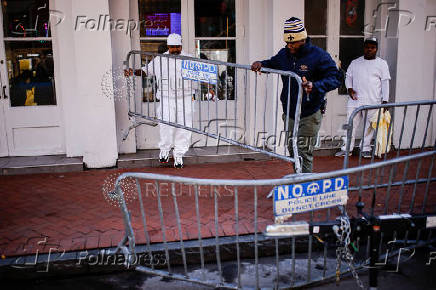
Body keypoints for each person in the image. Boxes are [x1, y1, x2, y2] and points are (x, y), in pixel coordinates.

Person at [251, 17, 341, 173]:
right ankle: (299, 177)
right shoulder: (284, 53)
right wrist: (261, 64)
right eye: (287, 43)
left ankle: (305, 185)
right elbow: (272, 63)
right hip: (290, 112)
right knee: (293, 150)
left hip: (310, 113)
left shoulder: (319, 56)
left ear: (303, 39)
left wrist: (315, 86)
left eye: (293, 43)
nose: (289, 46)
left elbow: (335, 79)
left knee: (304, 151)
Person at [126, 33, 195, 168]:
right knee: (165, 125)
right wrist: (133, 72)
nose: (175, 49)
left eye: (177, 47)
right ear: (168, 46)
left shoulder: (190, 59)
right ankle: (164, 151)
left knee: (185, 127)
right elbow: (146, 71)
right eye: (172, 47)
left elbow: (202, 73)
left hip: (186, 97)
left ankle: (179, 155)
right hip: (166, 98)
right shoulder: (160, 59)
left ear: (181, 46)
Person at [335, 37, 391, 158]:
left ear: (376, 49)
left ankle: (365, 148)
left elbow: (385, 82)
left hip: (374, 100)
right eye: (367, 47)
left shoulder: (382, 64)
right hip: (355, 100)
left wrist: (385, 100)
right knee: (349, 125)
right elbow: (348, 77)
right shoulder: (355, 63)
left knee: (369, 127)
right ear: (363, 48)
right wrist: (349, 88)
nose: (369, 50)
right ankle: (346, 149)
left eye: (372, 48)